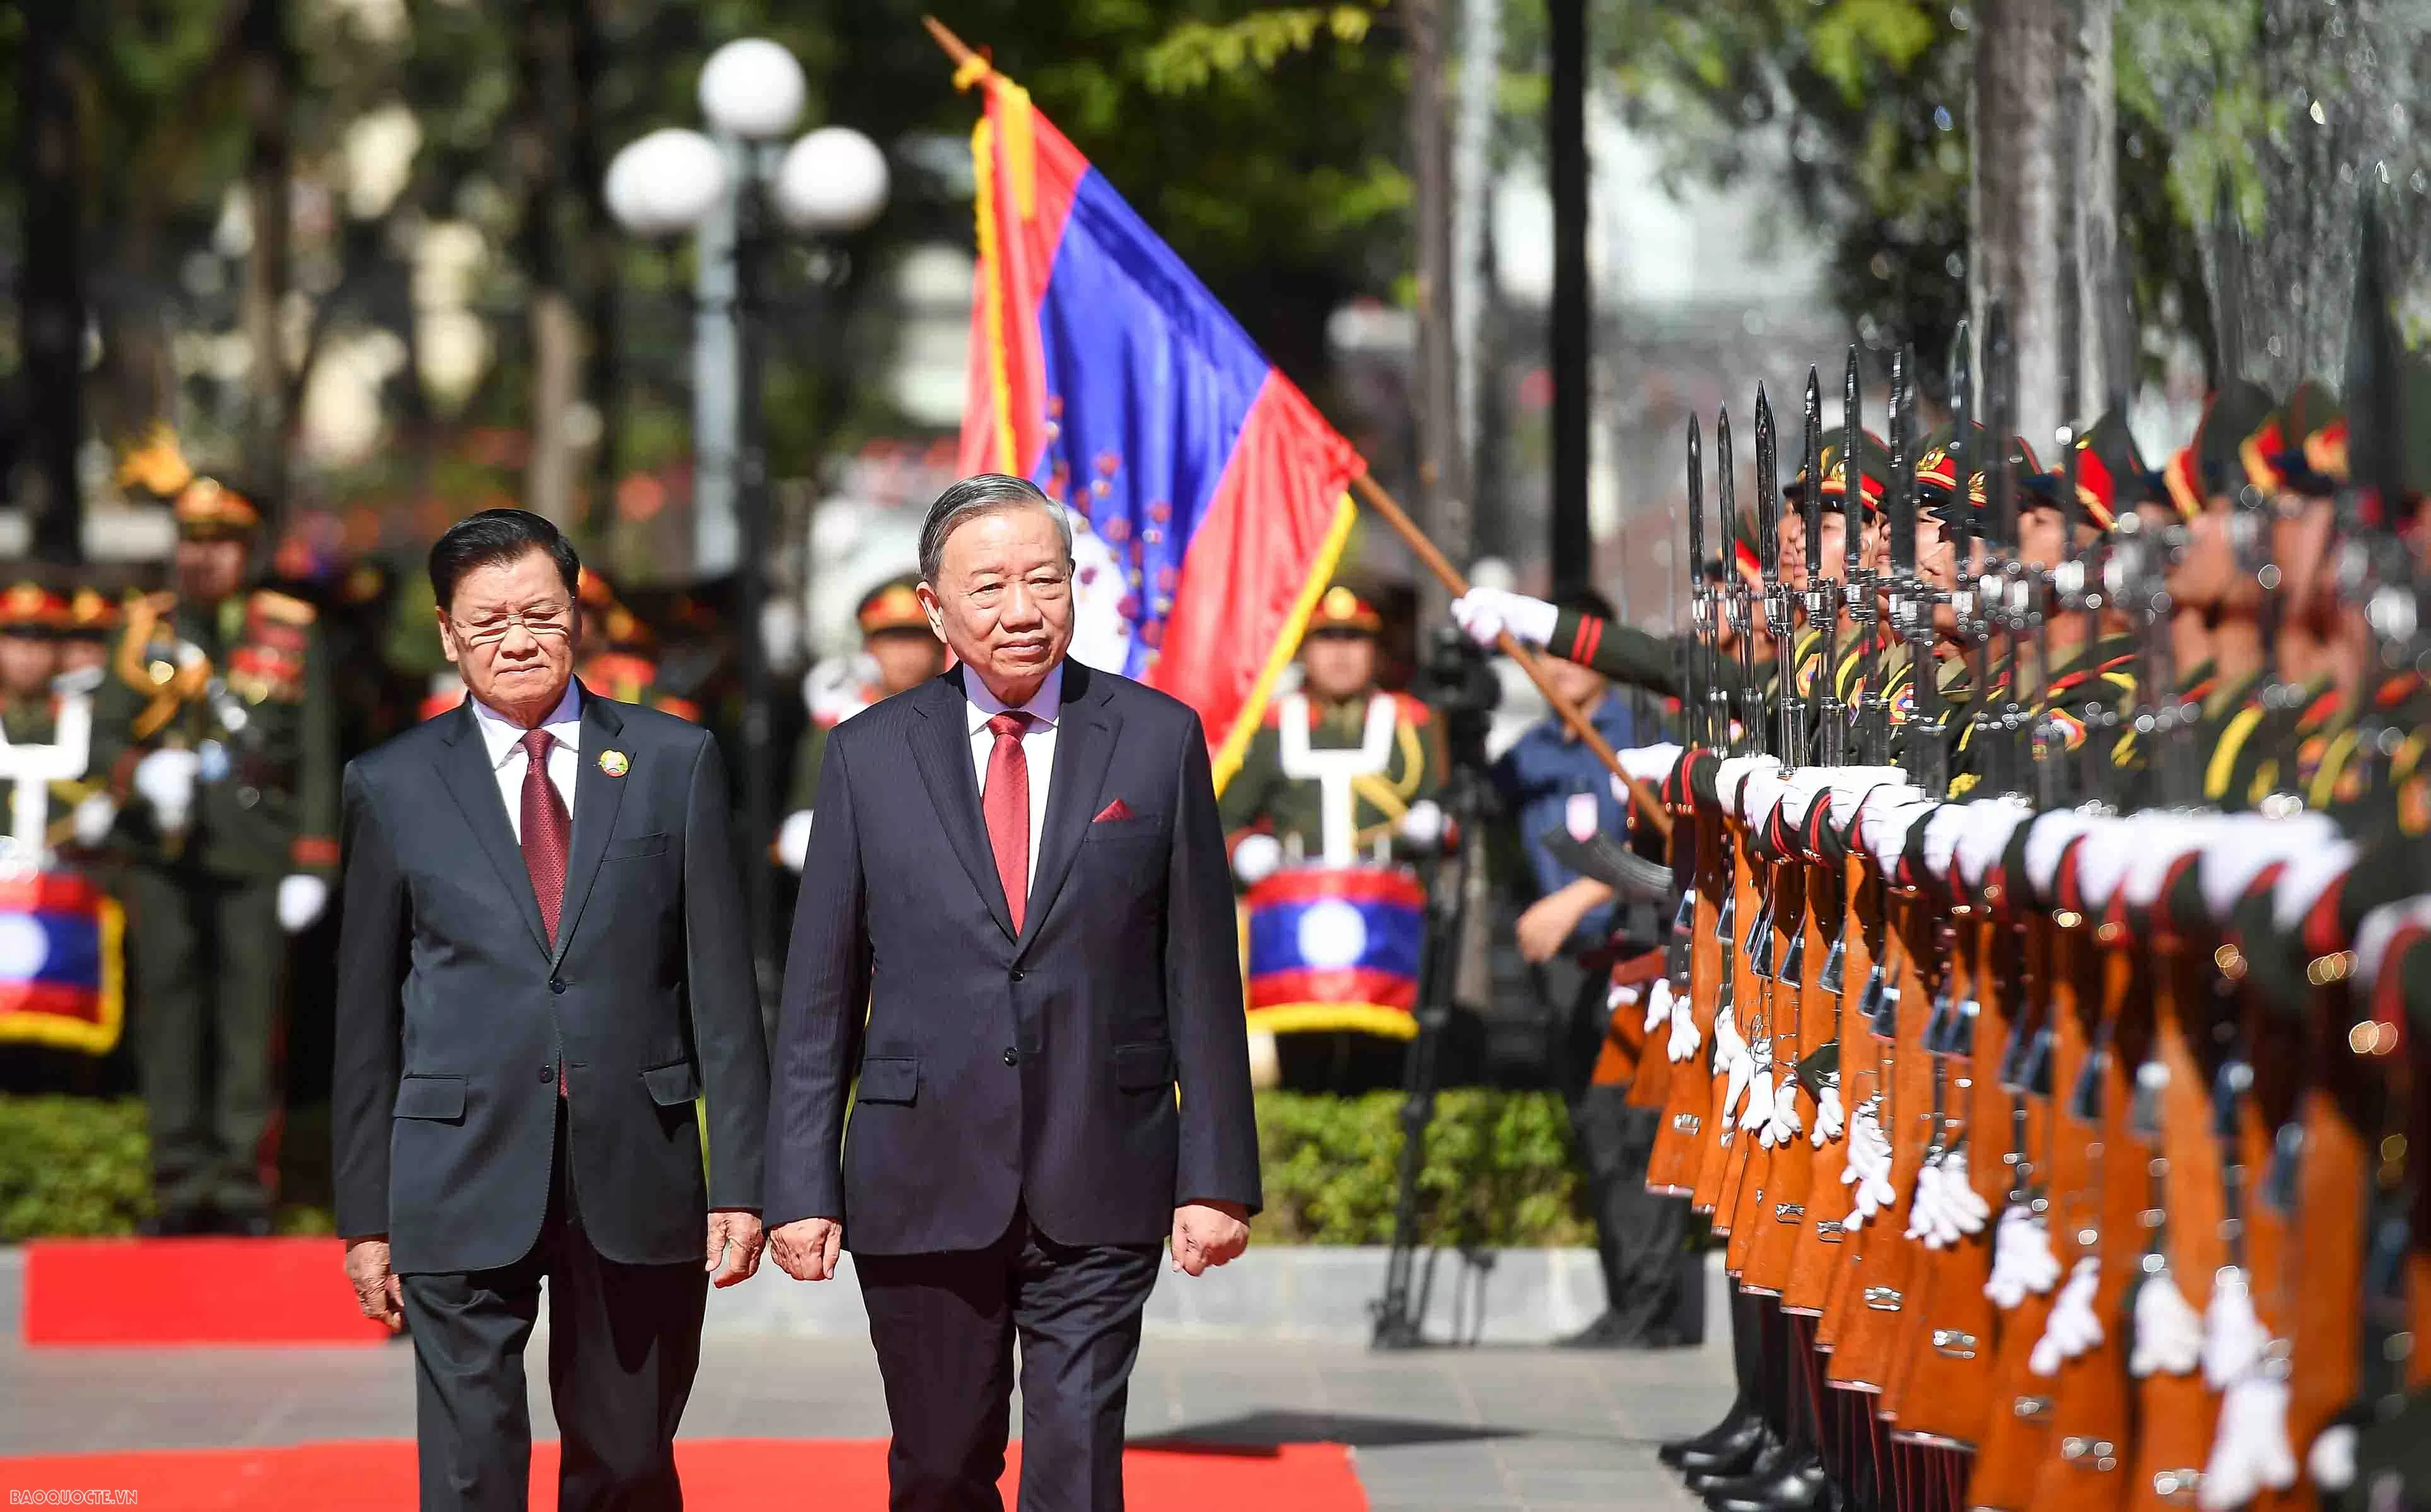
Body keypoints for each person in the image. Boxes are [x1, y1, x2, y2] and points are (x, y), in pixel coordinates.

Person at [766, 473, 1259, 1512]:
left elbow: (1201, 975)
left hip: (1102, 1160)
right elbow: (819, 993)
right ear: (935, 606)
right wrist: (800, 1184)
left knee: (1076, 1467)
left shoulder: (1156, 738)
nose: (1022, 609)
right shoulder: (867, 754)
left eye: (1045, 579)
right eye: (988, 586)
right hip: (921, 1174)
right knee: (940, 1466)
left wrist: (1216, 1174)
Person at [332, 508, 768, 1512]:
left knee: (625, 1458)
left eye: (540, 613)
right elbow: (365, 1022)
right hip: (456, 1160)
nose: (518, 640)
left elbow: (722, 993)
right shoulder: (390, 783)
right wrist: (365, 1214)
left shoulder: (672, 760)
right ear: (447, 633)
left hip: (634, 1157)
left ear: (578, 614)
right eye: (488, 622)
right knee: (470, 1465)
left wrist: (743, 1183)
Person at [88, 477, 337, 1235]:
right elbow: (102, 738)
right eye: (193, 542)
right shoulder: (142, 629)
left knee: (249, 1023)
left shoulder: (290, 631)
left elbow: (317, 751)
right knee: (168, 1019)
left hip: (257, 854)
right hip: (162, 858)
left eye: (221, 543)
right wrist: (139, 774)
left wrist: (314, 860)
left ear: (247, 552)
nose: (205, 557)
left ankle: (241, 1186)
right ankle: (178, 1184)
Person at [1489, 587, 1699, 1349]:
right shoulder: (1528, 755)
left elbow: (1670, 852)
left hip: (1638, 959)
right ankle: (1627, 1299)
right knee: (1598, 1134)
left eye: (1573, 651)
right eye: (1545, 655)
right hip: (1568, 970)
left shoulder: (1646, 732)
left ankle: (1654, 1308)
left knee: (1641, 1131)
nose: (1561, 667)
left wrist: (1581, 894)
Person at [1216, 583, 1445, 1091]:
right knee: (1304, 1058)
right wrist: (1244, 849)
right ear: (1303, 649)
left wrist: (1434, 823)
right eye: (1326, 639)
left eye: (1354, 639)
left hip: (1386, 920)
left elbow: (1449, 811)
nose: (1340, 654)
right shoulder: (1270, 726)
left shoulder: (1412, 723)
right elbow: (1222, 818)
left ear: (1376, 651)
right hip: (1296, 924)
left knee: (1385, 1063)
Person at [776, 573, 948, 873]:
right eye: (891, 640)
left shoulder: (965, 716)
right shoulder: (842, 725)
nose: (904, 654)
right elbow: (801, 829)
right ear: (869, 649)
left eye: (915, 639)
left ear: (938, 645)